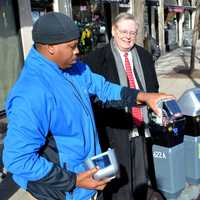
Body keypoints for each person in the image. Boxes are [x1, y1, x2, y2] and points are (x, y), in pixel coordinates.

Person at [3, 12, 173, 200]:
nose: (78, 51)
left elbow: (104, 89)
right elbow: (17, 159)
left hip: (88, 180)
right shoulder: (31, 94)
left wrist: (144, 96)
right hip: (61, 192)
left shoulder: (74, 68)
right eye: (72, 46)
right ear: (50, 48)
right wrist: (73, 180)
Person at [82, 13, 163, 200]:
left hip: (140, 125)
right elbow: (94, 97)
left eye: (132, 33)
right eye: (124, 31)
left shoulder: (144, 55)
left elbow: (153, 88)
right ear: (113, 31)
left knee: (141, 175)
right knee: (119, 182)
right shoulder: (96, 59)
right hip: (113, 129)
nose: (128, 36)